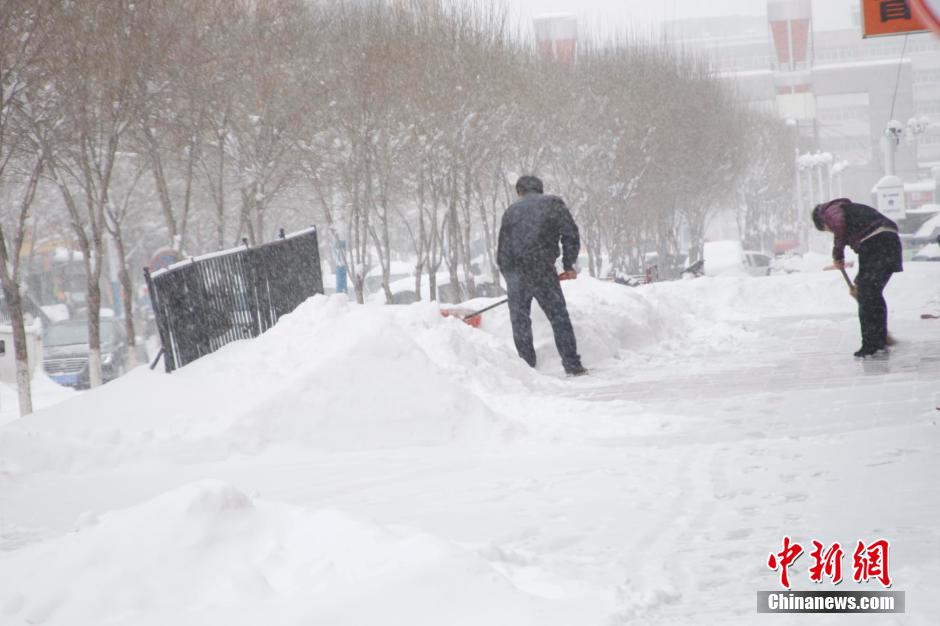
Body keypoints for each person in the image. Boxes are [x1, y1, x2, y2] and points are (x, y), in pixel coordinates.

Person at [497, 175, 586, 376]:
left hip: (516, 270)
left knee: (520, 320)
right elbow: (570, 233)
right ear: (540, 189)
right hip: (542, 269)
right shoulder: (553, 204)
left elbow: (503, 247)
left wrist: (510, 276)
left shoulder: (511, 211)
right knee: (558, 317)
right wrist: (568, 263)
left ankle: (527, 366)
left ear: (519, 192)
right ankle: (572, 364)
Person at [812, 198, 903, 357]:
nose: (831, 231)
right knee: (872, 293)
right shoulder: (845, 209)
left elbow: (839, 228)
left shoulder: (830, 211)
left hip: (876, 241)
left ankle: (871, 344)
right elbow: (843, 230)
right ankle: (879, 340)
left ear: (822, 221)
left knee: (866, 294)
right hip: (890, 241)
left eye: (827, 229)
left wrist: (837, 254)